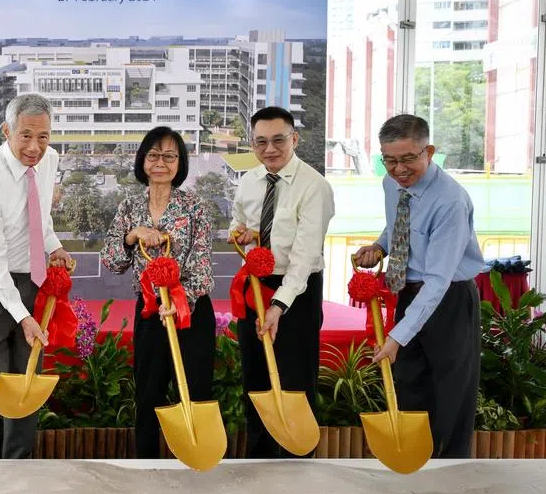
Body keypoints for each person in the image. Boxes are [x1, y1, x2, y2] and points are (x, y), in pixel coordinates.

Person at [353, 114, 485, 458]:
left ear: (429, 151)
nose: (398, 170)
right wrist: (380, 246)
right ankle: (411, 469)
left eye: (408, 159)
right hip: (409, 294)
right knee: (409, 387)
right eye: (390, 160)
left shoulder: (450, 202)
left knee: (449, 396)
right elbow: (398, 224)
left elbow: (438, 280)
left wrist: (397, 337)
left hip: (449, 301)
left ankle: (447, 477)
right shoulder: (391, 183)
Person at [0, 93, 71, 459]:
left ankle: (19, 471)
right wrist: (23, 316)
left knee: (27, 381)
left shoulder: (50, 160)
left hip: (31, 281)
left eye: (43, 136)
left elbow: (40, 218)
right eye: (25, 135)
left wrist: (54, 247)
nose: (35, 147)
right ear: (6, 131)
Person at [100, 126, 216, 459]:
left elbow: (202, 262)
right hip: (151, 312)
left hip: (191, 314)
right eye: (153, 155)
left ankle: (198, 462)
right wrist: (132, 236)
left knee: (195, 389)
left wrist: (181, 303)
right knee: (148, 392)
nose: (160, 163)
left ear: (179, 163)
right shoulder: (129, 208)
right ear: (142, 161)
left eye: (169, 156)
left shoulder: (194, 207)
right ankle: (146, 465)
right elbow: (112, 260)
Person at [229, 106, 335, 458]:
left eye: (278, 140)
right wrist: (241, 234)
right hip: (255, 284)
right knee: (256, 379)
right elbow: (237, 221)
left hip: (298, 292)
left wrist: (278, 306)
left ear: (294, 138)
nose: (269, 149)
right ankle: (259, 461)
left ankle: (297, 463)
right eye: (261, 142)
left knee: (294, 382)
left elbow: (304, 259)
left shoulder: (314, 186)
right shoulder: (248, 181)